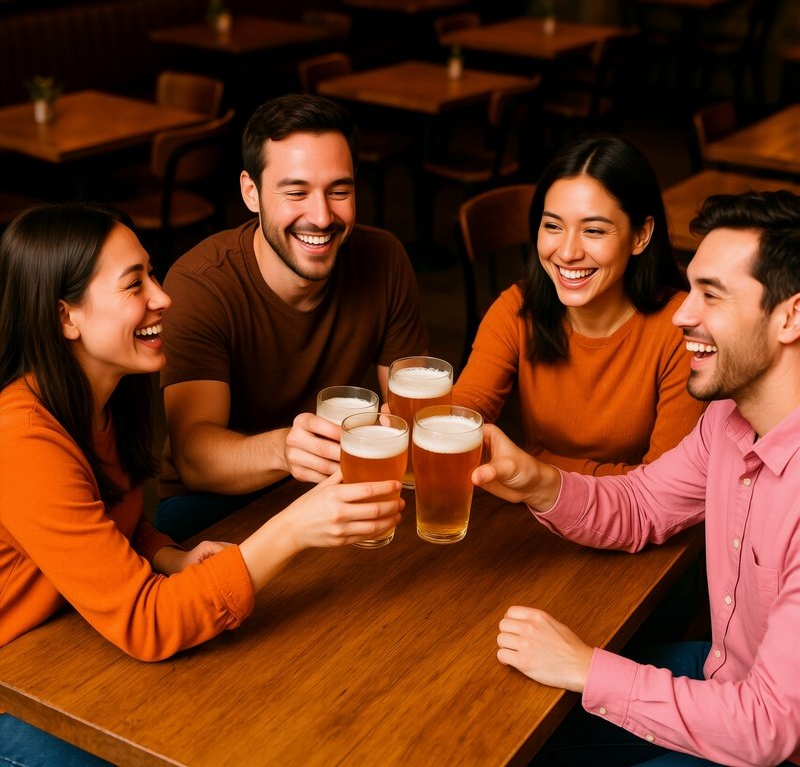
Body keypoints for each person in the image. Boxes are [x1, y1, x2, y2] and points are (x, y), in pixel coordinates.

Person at [0, 204, 404, 767]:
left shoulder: (104, 396)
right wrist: (293, 528)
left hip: (65, 624)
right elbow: (148, 623)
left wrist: (168, 555)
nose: (163, 297)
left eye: (153, 274)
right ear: (66, 317)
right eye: (134, 283)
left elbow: (110, 519)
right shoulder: (20, 437)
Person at [475, 190, 800, 766]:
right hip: (722, 676)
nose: (681, 314)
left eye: (712, 296)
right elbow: (643, 503)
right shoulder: (729, 419)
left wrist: (584, 666)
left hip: (766, 740)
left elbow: (767, 727)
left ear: (790, 316)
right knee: (509, 726)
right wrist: (534, 481)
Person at [156, 94, 428, 541]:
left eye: (339, 191)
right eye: (296, 192)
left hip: (339, 486)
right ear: (251, 192)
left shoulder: (385, 258)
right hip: (213, 505)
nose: (321, 217)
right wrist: (285, 451)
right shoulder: (199, 284)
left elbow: (410, 417)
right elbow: (194, 458)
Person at [453, 136, 705, 474]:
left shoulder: (682, 332)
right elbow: (466, 413)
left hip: (635, 523)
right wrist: (427, 421)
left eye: (594, 231)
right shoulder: (517, 308)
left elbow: (664, 486)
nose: (568, 252)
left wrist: (536, 466)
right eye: (553, 226)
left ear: (640, 235)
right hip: (537, 514)